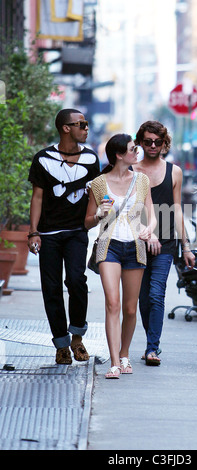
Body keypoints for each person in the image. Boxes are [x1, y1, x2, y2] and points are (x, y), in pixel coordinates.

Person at [27, 108, 100, 364]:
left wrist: (94, 222)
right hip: (47, 234)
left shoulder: (91, 159)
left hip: (77, 232)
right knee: (51, 288)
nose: (86, 128)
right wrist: (33, 231)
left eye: (86, 123)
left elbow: (94, 196)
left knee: (77, 281)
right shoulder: (43, 158)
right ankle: (61, 344)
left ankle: (77, 336)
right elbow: (37, 197)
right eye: (82, 124)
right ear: (66, 128)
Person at [85, 133, 156, 379]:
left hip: (135, 247)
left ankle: (125, 353)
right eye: (132, 148)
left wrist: (149, 228)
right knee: (112, 303)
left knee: (129, 308)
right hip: (109, 247)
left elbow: (151, 212)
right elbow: (87, 222)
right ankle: (114, 362)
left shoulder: (142, 180)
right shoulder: (99, 183)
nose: (137, 151)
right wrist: (99, 215)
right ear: (119, 155)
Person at [134, 121, 195, 366]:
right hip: (138, 239)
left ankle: (152, 348)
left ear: (164, 143)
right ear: (139, 142)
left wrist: (187, 246)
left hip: (167, 240)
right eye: (147, 141)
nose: (152, 146)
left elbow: (178, 208)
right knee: (142, 296)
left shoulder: (174, 171)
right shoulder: (133, 170)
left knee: (157, 294)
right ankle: (151, 340)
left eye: (157, 142)